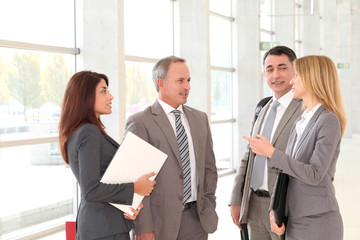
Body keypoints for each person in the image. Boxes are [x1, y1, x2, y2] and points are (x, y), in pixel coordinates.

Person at [244, 55, 346, 240]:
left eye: (297, 75)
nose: (292, 80)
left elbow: (315, 174)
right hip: (295, 219)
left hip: (317, 221)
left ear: (312, 79)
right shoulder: (301, 120)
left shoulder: (328, 120)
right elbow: (285, 172)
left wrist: (271, 152)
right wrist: (273, 210)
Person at [124, 56, 218, 240]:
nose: (187, 86)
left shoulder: (200, 119)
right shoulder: (140, 122)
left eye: (188, 80)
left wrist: (208, 204)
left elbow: (209, 169)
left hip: (197, 221)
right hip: (159, 225)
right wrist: (143, 227)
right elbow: (134, 179)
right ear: (161, 83)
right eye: (180, 81)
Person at [59, 70, 157, 240]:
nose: (110, 97)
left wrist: (129, 204)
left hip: (103, 226)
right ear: (85, 96)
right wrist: (135, 187)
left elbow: (102, 184)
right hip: (103, 230)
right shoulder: (89, 132)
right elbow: (91, 190)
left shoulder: (80, 131)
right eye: (103, 91)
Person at [229, 46, 303, 240]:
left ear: (296, 70)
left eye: (282, 67)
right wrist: (237, 199)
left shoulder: (304, 108)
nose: (275, 75)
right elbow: (248, 155)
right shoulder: (263, 107)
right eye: (270, 69)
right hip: (254, 205)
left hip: (283, 205)